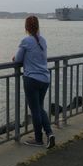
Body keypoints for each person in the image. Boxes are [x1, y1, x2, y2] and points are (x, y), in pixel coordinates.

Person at [13, 15, 55, 149]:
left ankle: (39, 139)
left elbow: (18, 59)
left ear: (26, 27)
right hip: (45, 78)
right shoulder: (42, 40)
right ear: (38, 26)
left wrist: (15, 58)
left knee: (35, 110)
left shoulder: (26, 41)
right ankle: (49, 134)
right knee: (40, 108)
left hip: (32, 79)